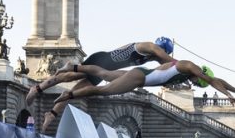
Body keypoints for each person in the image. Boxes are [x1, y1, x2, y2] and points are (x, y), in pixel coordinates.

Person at [26, 37, 176, 131]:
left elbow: (164, 68)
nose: (164, 56)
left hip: (104, 69)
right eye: (166, 53)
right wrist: (185, 66)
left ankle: (51, 114)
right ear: (163, 49)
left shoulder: (151, 57)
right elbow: (169, 61)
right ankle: (37, 88)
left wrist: (182, 76)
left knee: (73, 93)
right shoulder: (150, 46)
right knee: (69, 76)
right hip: (101, 60)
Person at [47, 59, 235, 124]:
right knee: (104, 91)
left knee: (105, 73)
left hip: (142, 74)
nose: (196, 85)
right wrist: (228, 95)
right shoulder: (189, 67)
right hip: (139, 78)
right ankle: (69, 95)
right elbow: (212, 80)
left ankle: (73, 66)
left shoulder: (189, 72)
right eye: (199, 83)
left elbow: (217, 79)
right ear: (199, 74)